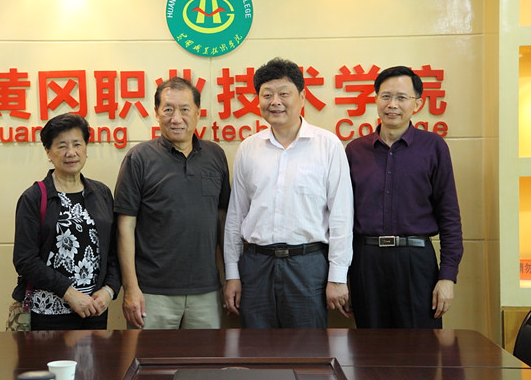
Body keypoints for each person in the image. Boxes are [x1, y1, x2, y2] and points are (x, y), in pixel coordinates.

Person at [223, 57, 354, 328]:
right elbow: (236, 216)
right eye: (267, 95)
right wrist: (232, 274)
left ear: (302, 97)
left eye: (284, 94)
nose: (275, 102)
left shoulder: (327, 145)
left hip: (308, 265)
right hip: (256, 265)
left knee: (308, 348)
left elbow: (341, 216)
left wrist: (338, 276)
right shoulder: (249, 148)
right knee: (256, 348)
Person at [345, 65, 464, 329]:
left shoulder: (433, 147)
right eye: (386, 96)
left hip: (416, 260)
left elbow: (449, 216)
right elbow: (344, 219)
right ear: (376, 99)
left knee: (421, 347)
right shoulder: (355, 151)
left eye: (402, 97)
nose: (392, 105)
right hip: (366, 261)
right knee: (370, 347)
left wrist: (447, 276)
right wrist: (343, 276)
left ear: (417, 104)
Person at [114, 77, 231, 329]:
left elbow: (223, 221)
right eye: (168, 109)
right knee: (150, 356)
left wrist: (229, 277)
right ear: (156, 113)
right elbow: (125, 227)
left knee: (206, 355)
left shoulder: (215, 155)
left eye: (184, 109)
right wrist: (131, 289)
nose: (176, 118)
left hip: (206, 291)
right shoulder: (138, 158)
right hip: (152, 293)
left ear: (198, 113)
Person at [12, 113, 121, 330]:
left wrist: (109, 290)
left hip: (94, 310)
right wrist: (69, 293)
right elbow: (25, 260)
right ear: (48, 152)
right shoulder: (34, 198)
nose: (71, 152)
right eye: (61, 146)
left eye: (77, 144)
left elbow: (114, 252)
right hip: (48, 314)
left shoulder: (101, 193)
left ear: (86, 148)